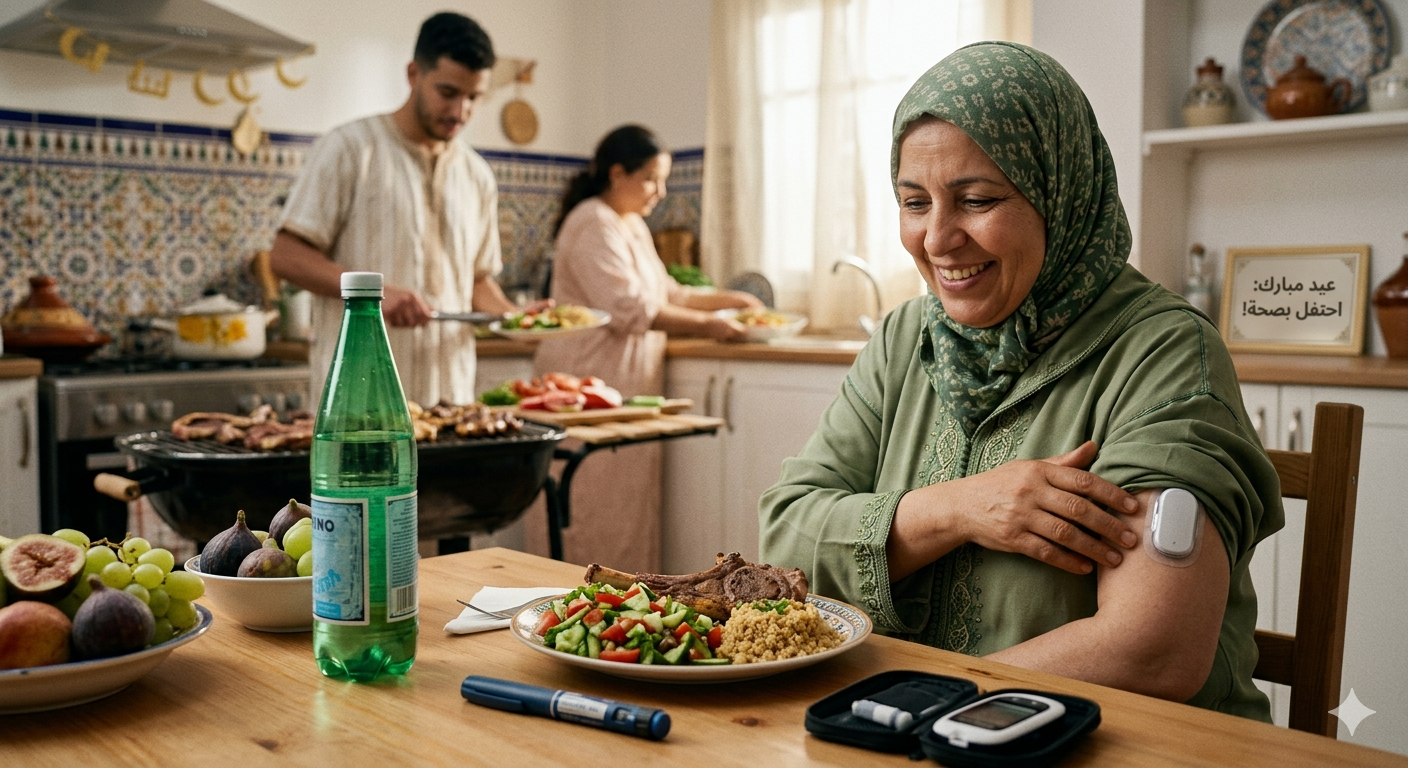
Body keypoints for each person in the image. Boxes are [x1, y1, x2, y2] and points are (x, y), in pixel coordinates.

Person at [759, 42, 1283, 721]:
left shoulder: (1164, 352)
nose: (938, 238)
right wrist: (960, 509)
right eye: (914, 202)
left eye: (976, 200)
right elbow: (784, 540)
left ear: (1058, 192)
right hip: (907, 735)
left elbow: (1154, 650)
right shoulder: (901, 341)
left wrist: (918, 698)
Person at [528, 125, 761, 572]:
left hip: (625, 394)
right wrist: (712, 326)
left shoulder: (629, 224)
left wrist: (731, 300)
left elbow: (667, 293)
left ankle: (625, 624)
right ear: (618, 173)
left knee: (624, 515)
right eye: (652, 178)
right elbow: (631, 309)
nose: (661, 191)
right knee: (590, 514)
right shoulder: (591, 221)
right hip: (588, 394)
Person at [270, 12, 532, 406]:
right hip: (358, 407)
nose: (460, 111)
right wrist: (375, 294)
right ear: (414, 74)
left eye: (473, 97)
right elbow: (286, 257)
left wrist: (520, 319)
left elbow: (476, 282)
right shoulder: (350, 149)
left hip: (450, 406)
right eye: (448, 92)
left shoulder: (477, 175)